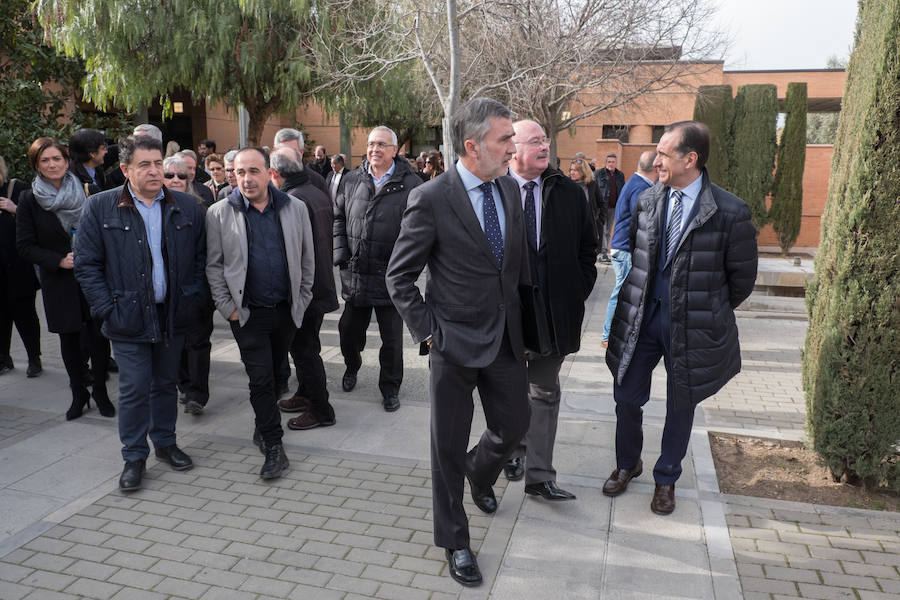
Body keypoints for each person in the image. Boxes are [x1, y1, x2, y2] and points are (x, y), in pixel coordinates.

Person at [386, 98, 531, 587]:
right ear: (472, 146)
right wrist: (429, 332)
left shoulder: (509, 189)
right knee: (445, 448)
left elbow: (509, 270)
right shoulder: (431, 197)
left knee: (514, 426)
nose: (513, 148)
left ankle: (480, 469)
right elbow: (399, 277)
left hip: (505, 341)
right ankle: (455, 540)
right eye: (504, 139)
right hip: (452, 342)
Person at [604, 121, 757, 515]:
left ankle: (666, 478)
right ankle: (627, 463)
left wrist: (705, 308)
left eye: (663, 153)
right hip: (643, 320)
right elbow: (639, 265)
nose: (656, 160)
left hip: (692, 328)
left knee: (681, 402)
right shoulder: (648, 200)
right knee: (625, 396)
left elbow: (741, 281)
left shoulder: (730, 211)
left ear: (690, 159)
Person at [74, 135, 207, 491]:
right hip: (126, 316)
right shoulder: (100, 207)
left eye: (158, 163)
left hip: (172, 314)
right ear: (125, 169)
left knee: (165, 383)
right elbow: (87, 265)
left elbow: (198, 260)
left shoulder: (186, 206)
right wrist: (107, 309)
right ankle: (134, 456)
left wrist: (191, 298)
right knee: (134, 389)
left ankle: (164, 443)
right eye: (144, 165)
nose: (154, 171)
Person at [501, 120, 597, 499]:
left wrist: (575, 292)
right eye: (535, 141)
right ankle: (508, 450)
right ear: (513, 148)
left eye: (546, 139)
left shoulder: (569, 193)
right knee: (507, 391)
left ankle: (539, 476)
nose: (545, 146)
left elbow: (587, 250)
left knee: (543, 391)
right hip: (504, 314)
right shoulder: (492, 189)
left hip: (552, 316)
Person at [205, 147, 314, 480]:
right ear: (233, 175)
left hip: (285, 312)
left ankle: (262, 422)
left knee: (279, 375)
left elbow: (308, 260)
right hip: (247, 315)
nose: (247, 179)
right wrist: (228, 309)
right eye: (240, 172)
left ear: (270, 173)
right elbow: (214, 266)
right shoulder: (219, 213)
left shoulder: (295, 208)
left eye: (254, 171)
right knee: (260, 380)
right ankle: (274, 445)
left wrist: (302, 298)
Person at [16, 138, 114, 418]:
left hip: (93, 275)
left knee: (98, 336)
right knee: (69, 339)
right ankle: (78, 393)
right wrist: (58, 260)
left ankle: (100, 391)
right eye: (44, 160)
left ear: (67, 160)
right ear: (36, 165)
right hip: (58, 280)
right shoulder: (29, 199)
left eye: (56, 158)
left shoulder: (89, 190)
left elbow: (106, 230)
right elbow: (24, 245)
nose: (52, 165)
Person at [334, 126, 421, 412]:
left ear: (395, 150)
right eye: (371, 144)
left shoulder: (412, 184)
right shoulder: (351, 180)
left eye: (382, 144)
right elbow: (338, 218)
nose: (375, 149)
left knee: (392, 341)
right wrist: (341, 256)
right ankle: (352, 365)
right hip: (357, 274)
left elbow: (419, 233)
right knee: (348, 331)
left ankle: (390, 388)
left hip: (391, 278)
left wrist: (405, 270)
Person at [268, 148, 340, 430]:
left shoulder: (292, 198)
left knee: (304, 350)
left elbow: (292, 251)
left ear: (274, 173)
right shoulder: (315, 191)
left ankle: (322, 410)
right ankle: (305, 394)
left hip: (305, 289)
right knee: (307, 345)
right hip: (319, 284)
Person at [161, 156, 215, 416]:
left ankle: (197, 394)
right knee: (176, 343)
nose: (175, 180)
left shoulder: (200, 207)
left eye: (181, 176)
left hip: (196, 290)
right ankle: (184, 385)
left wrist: (200, 289)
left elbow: (208, 253)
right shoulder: (152, 208)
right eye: (169, 175)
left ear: (189, 178)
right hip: (167, 294)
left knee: (197, 343)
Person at [601, 151, 657, 349]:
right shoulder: (640, 188)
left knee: (624, 292)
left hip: (622, 248)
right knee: (623, 293)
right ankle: (608, 335)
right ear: (656, 168)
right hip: (625, 249)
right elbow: (642, 221)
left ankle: (611, 334)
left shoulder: (635, 183)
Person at [0, 155, 41, 377]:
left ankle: (34, 358)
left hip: (18, 267)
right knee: (1, 316)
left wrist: (13, 207)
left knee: (25, 315)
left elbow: (35, 219)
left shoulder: (17, 187)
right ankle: (4, 358)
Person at [272, 128, 328, 195]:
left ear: (301, 152)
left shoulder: (317, 181)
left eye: (293, 151)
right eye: (283, 151)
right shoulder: (264, 181)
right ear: (275, 151)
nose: (288, 156)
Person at [568, 157, 604, 248]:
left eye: (576, 170)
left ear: (583, 171)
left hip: (589, 229)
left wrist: (600, 221)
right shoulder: (566, 185)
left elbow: (601, 203)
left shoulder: (592, 185)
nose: (572, 172)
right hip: (571, 229)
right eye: (571, 169)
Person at [595, 153, 625, 262]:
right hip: (602, 207)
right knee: (602, 229)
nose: (611, 164)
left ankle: (604, 250)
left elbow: (622, 191)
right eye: (609, 162)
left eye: (613, 162)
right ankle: (602, 252)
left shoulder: (620, 175)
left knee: (608, 230)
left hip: (613, 207)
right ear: (605, 163)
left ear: (616, 163)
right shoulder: (598, 174)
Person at [68, 129, 109, 194]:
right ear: (92, 153)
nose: (106, 151)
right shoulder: (73, 180)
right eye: (103, 148)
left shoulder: (98, 170)